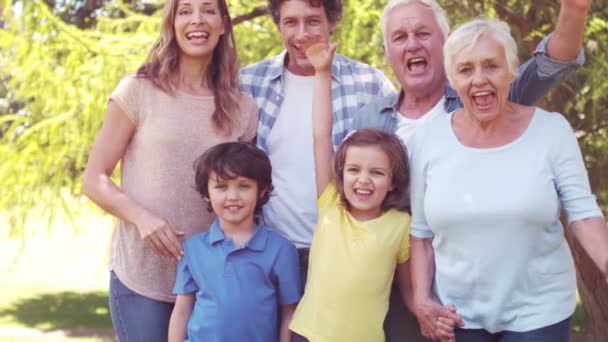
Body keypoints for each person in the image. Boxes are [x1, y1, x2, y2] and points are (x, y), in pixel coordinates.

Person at [351, 1, 593, 340]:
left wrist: (575, 10)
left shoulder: (492, 94)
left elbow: (554, 60)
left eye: (423, 33)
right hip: (414, 293)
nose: (412, 44)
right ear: (386, 49)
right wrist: (416, 299)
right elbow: (351, 208)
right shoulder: (371, 121)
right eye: (400, 36)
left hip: (512, 304)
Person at [409, 18, 608, 342]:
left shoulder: (551, 130)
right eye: (465, 69)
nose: (479, 80)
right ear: (452, 79)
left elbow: (584, 213)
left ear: (512, 70)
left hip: (539, 308)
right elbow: (420, 234)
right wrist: (421, 299)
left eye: (491, 66)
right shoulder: (428, 139)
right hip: (457, 313)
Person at [82, 0, 258, 339]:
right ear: (172, 22)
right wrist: (143, 218)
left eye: (208, 10)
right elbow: (94, 178)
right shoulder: (137, 90)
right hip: (143, 278)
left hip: (213, 283)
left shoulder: (243, 108)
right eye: (186, 10)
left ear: (223, 24)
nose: (197, 20)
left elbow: (247, 196)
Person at [286, 42, 457, 342]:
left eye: (376, 173)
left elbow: (409, 293)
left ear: (392, 181)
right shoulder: (331, 204)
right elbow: (320, 135)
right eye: (354, 170)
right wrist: (322, 72)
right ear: (341, 174)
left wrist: (428, 313)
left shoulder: (401, 226)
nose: (363, 180)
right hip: (309, 336)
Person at [239, 0, 395, 285]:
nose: (301, 34)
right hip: (268, 252)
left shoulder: (370, 85)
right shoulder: (249, 83)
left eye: (312, 21)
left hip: (346, 253)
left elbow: (393, 172)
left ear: (331, 22)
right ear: (278, 25)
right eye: (290, 22)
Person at [168, 142, 302, 342]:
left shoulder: (281, 250)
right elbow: (182, 310)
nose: (233, 196)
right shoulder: (192, 249)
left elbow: (289, 312)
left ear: (262, 191)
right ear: (207, 194)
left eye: (244, 186)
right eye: (221, 187)